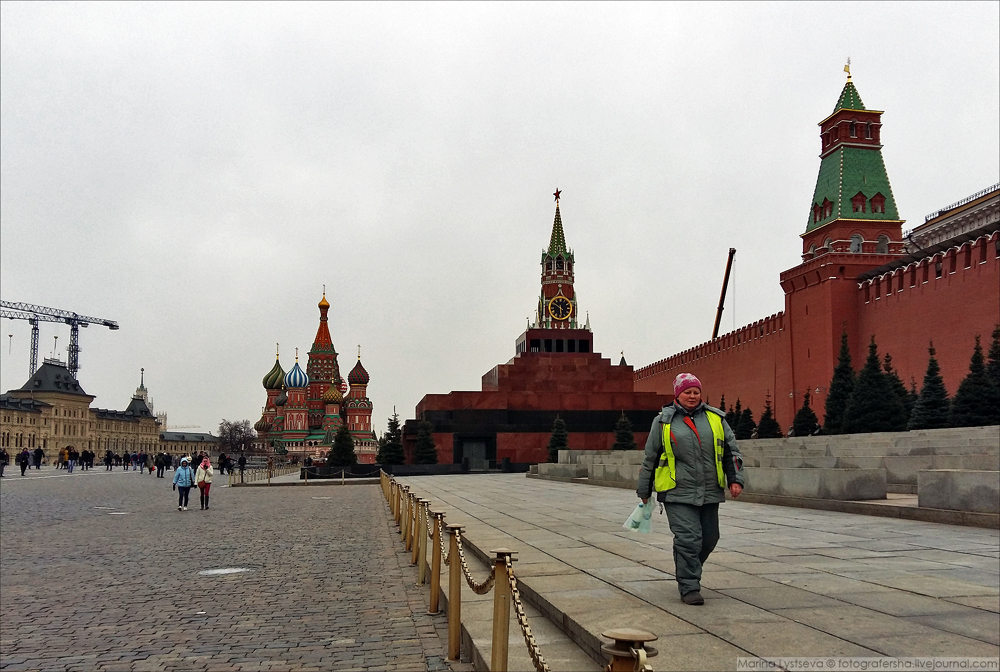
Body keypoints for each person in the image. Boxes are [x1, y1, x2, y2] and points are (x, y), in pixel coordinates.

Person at [636, 373, 746, 606]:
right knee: (688, 538)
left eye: (696, 391)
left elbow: (730, 451)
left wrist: (735, 479)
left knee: (709, 539)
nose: (693, 396)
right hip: (676, 490)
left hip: (709, 489)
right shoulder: (663, 421)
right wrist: (644, 490)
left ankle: (688, 567)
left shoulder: (716, 418)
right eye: (687, 392)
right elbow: (650, 458)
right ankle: (689, 586)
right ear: (677, 394)